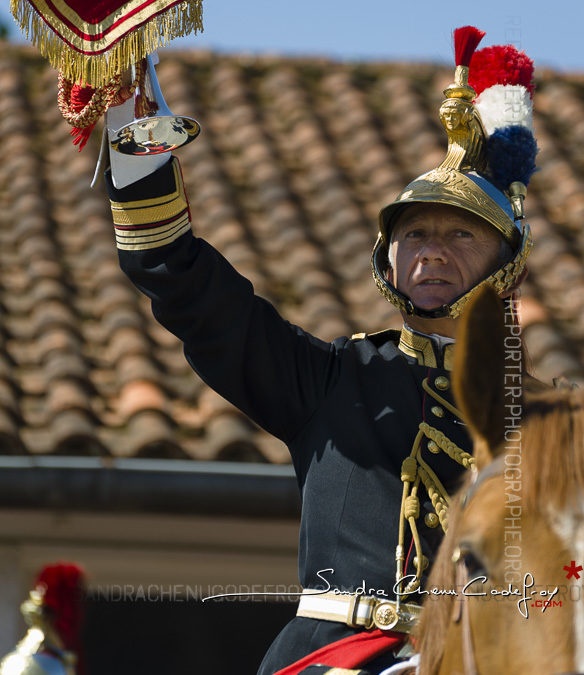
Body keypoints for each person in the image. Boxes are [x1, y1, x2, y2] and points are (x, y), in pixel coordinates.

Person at [102, 27, 537, 674]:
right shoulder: (329, 379)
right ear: (387, 259)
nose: (431, 249)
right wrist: (128, 129)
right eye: (413, 232)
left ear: (507, 263)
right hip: (333, 658)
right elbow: (184, 281)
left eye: (460, 234)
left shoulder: (544, 420)